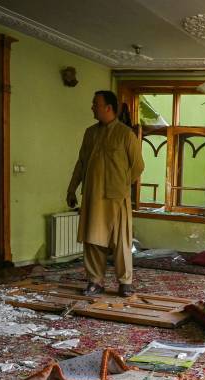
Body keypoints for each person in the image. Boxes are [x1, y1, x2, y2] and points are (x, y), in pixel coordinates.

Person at [66, 91, 144, 297]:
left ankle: (125, 282)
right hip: (93, 196)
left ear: (108, 107)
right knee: (93, 240)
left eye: (95, 104)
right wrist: (72, 188)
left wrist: (121, 186)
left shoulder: (126, 134)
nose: (92, 107)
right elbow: (81, 163)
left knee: (120, 241)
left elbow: (138, 167)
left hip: (116, 198)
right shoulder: (90, 133)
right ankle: (95, 282)